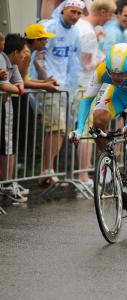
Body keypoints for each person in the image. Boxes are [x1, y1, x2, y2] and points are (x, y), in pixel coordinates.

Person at [70, 43, 127, 227]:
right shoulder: (103, 69)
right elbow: (87, 101)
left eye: (122, 74)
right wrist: (79, 129)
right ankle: (106, 158)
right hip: (117, 97)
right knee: (98, 117)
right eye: (113, 74)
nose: (117, 77)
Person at [32, 0, 85, 185]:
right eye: (73, 12)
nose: (76, 16)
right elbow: (37, 58)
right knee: (55, 129)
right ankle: (46, 170)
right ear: (63, 10)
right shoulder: (50, 27)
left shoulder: (75, 32)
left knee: (60, 131)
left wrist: (71, 85)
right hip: (48, 85)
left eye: (79, 13)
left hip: (63, 87)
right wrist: (46, 80)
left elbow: (73, 60)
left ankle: (48, 170)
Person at [74, 0, 116, 187]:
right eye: (110, 14)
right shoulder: (88, 31)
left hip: (79, 83)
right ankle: (83, 176)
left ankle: (83, 173)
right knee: (86, 130)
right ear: (102, 12)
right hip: (84, 85)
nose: (110, 19)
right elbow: (87, 64)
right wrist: (104, 61)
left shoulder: (82, 26)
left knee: (84, 128)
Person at [0, 33, 28, 203]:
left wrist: (16, 88)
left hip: (6, 106)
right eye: (23, 52)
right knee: (6, 143)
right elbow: (5, 86)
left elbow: (19, 82)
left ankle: (7, 182)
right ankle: (5, 182)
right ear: (16, 52)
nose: (25, 54)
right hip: (4, 107)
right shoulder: (2, 59)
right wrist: (15, 89)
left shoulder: (13, 64)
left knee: (8, 143)